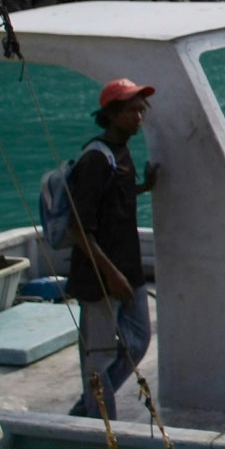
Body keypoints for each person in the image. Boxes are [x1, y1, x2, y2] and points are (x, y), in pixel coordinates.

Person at [66, 78, 158, 418]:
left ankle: (87, 409)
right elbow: (79, 227)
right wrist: (112, 275)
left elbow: (112, 199)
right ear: (113, 115)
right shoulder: (95, 160)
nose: (139, 117)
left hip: (127, 270)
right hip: (101, 277)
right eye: (132, 111)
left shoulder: (120, 152)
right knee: (99, 355)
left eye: (141, 110)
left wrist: (143, 187)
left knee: (138, 340)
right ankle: (101, 422)